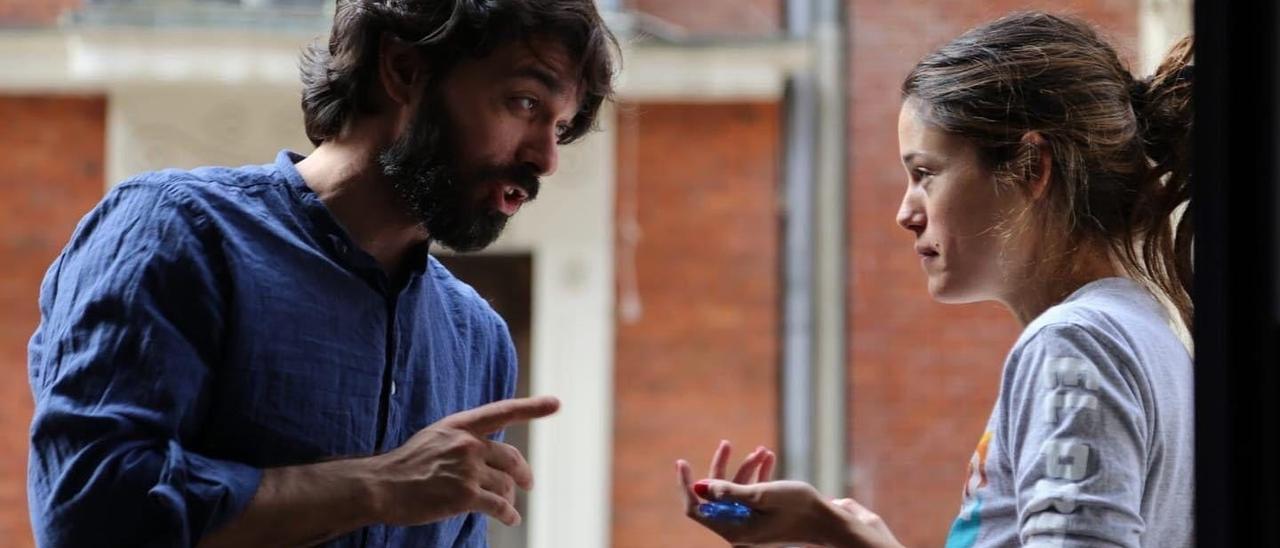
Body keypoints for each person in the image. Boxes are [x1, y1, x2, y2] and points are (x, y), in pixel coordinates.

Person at [26, 1, 617, 546]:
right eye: (525, 103)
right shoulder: (179, 230)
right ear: (404, 68)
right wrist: (378, 487)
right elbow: (87, 509)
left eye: (560, 127)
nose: (547, 158)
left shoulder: (478, 340)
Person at [676, 11, 1194, 548]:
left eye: (925, 173)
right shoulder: (1145, 333)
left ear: (1031, 166)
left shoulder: (1074, 343)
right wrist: (851, 537)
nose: (906, 212)